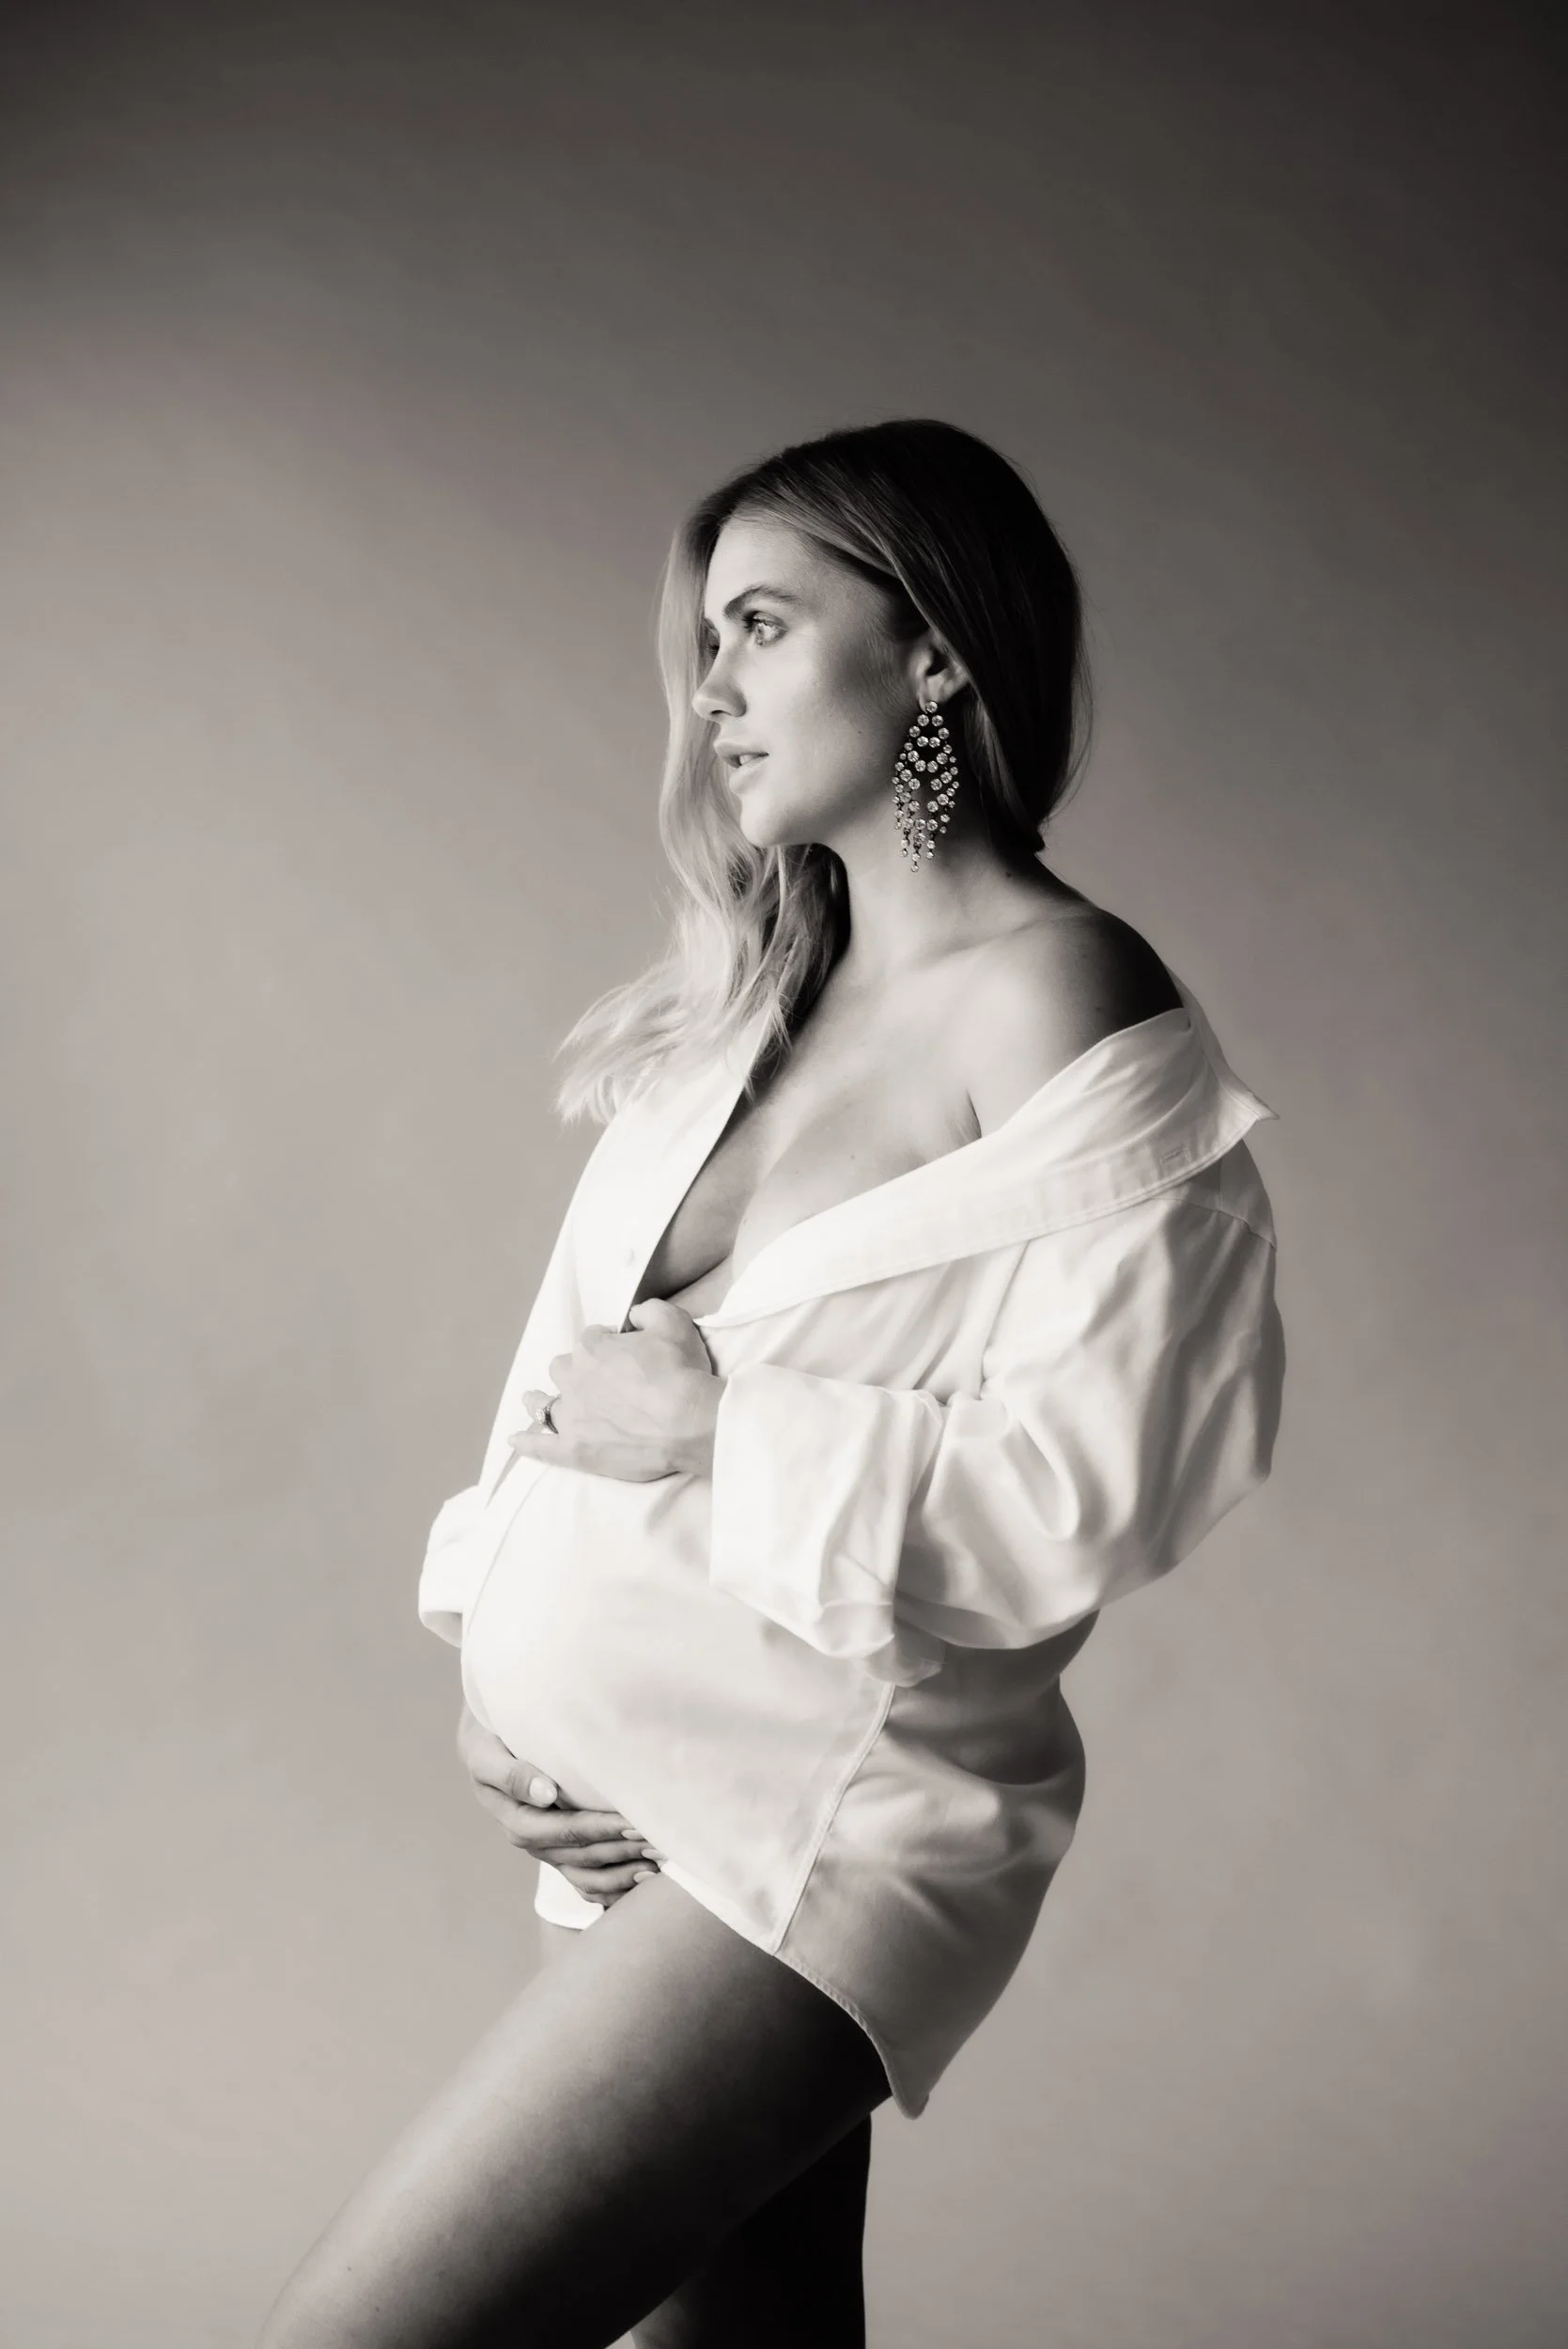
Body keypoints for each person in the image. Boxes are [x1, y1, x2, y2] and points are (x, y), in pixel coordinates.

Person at [258, 420, 1285, 2348]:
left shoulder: (1058, 992)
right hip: (644, 1826)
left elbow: (1113, 1473)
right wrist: (499, 1655)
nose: (707, 689)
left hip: (814, 1831)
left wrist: (737, 1430)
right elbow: (568, 1373)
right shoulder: (756, 996)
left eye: (760, 625)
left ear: (935, 658)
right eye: (701, 643)